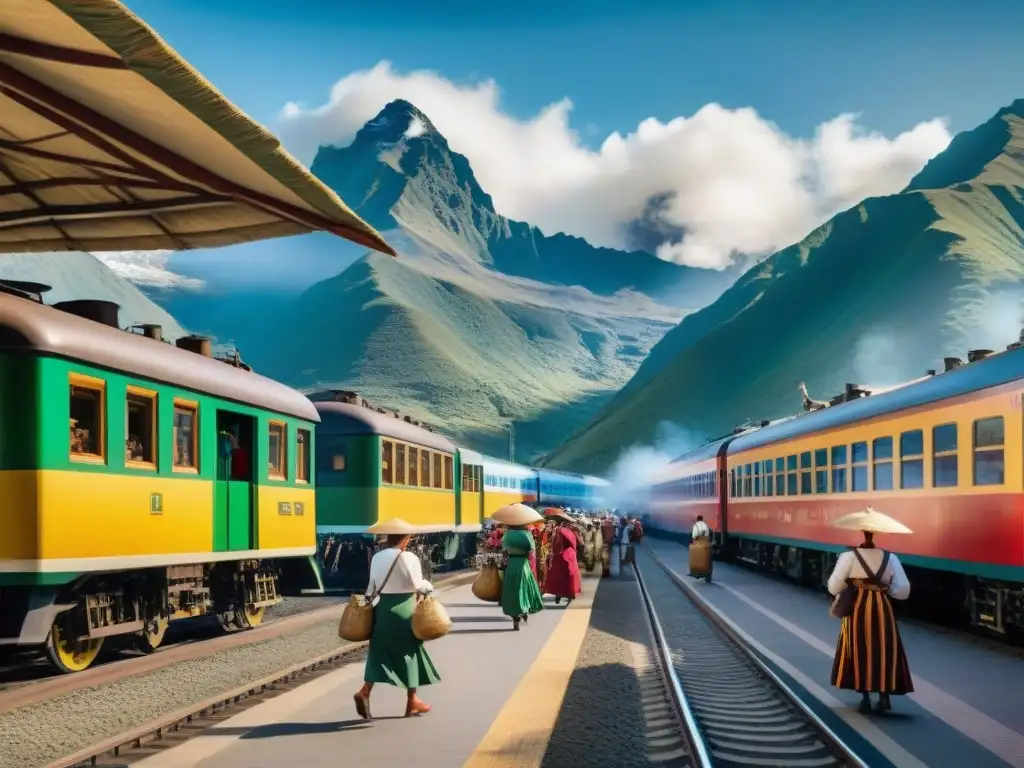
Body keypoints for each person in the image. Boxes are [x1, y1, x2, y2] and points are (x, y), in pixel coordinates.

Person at [827, 507, 914, 714]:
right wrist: (883, 590)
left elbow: (833, 587)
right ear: (875, 535)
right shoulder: (890, 558)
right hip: (882, 608)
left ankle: (865, 699)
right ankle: (884, 696)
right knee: (884, 649)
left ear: (861, 534)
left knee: (858, 649)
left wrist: (851, 585)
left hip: (857, 609)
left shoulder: (849, 557)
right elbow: (903, 591)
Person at [353, 519, 438, 720]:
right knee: (411, 653)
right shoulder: (408, 557)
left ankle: (364, 691)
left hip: (381, 611)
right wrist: (429, 587)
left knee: (378, 652)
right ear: (406, 539)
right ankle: (412, 700)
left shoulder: (377, 557)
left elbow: (371, 587)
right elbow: (419, 585)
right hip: (404, 610)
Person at [500, 521, 545, 630]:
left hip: (511, 565)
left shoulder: (507, 535)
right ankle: (524, 609)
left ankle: (515, 616)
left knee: (512, 590)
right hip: (523, 564)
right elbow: (532, 549)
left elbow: (504, 550)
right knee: (524, 588)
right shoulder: (526, 534)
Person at [544, 512, 582, 604]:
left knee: (559, 575)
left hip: (560, 555)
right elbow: (576, 543)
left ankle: (559, 594)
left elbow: (554, 544)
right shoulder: (568, 531)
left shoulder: (558, 530)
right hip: (568, 555)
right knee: (570, 574)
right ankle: (568, 593)